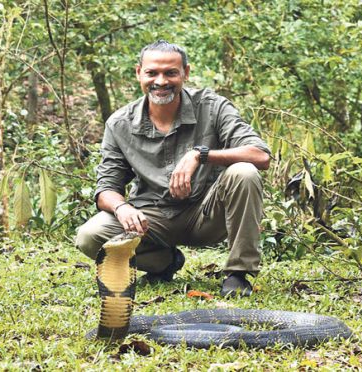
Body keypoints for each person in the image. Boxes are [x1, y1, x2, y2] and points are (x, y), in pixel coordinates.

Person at [75, 40, 271, 297]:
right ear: (138, 73)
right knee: (90, 236)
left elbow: (260, 155)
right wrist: (122, 208)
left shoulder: (212, 107)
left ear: (185, 73)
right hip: (151, 220)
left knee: (244, 172)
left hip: (207, 214)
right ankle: (163, 262)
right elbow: (106, 189)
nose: (161, 81)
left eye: (170, 73)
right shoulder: (119, 123)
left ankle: (237, 274)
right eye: (152, 73)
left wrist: (200, 155)